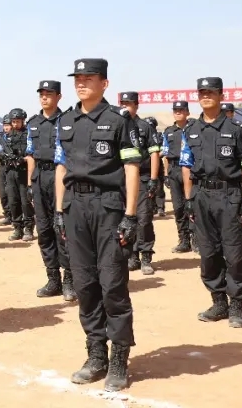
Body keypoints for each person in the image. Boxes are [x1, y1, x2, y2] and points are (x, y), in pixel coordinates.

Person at [54, 58, 140, 392]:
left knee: (112, 284)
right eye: (78, 78)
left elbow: (131, 168)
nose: (81, 83)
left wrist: (130, 216)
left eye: (89, 78)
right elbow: (61, 167)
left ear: (104, 84)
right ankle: (96, 355)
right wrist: (59, 210)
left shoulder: (118, 120)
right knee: (85, 285)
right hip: (74, 207)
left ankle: (119, 358)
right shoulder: (66, 120)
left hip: (108, 208)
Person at [177, 77, 242, 327]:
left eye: (211, 92)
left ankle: (237, 305)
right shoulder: (190, 130)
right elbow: (186, 166)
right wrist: (189, 199)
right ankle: (219, 301)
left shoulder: (237, 129)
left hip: (230, 196)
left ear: (221, 96)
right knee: (208, 253)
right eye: (202, 92)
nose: (206, 96)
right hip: (201, 196)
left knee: (234, 253)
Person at [26, 80, 75, 300]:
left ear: (59, 97)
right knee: (44, 230)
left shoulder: (67, 121)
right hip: (39, 178)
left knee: (62, 229)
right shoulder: (33, 123)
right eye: (41, 94)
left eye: (49, 94)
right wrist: (30, 184)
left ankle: (69, 280)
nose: (44, 97)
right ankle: (53, 278)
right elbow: (30, 155)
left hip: (59, 177)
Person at [117, 93, 161, 275]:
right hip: (121, 179)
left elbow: (154, 153)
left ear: (136, 106)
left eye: (129, 104)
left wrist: (153, 179)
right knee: (125, 218)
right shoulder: (117, 124)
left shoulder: (145, 127)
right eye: (123, 104)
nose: (126, 107)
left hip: (142, 178)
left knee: (143, 219)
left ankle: (146, 256)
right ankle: (132, 255)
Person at [161, 101, 194, 253]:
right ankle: (184, 240)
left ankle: (196, 239)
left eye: (181, 110)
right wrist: (166, 174)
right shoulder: (168, 131)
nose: (178, 112)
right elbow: (165, 155)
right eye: (176, 110)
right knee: (178, 207)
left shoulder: (193, 129)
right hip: (174, 171)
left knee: (192, 205)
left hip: (190, 170)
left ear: (187, 112)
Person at [0, 109, 33, 241]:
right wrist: (4, 156)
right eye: (13, 122)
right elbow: (0, 151)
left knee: (25, 202)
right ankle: (17, 228)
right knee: (13, 201)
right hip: (10, 171)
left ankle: (28, 228)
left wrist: (22, 159)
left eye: (18, 121)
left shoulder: (28, 135)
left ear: (23, 121)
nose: (15, 124)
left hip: (23, 171)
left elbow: (31, 153)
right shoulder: (7, 136)